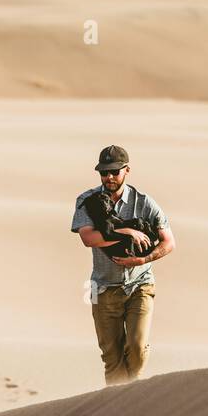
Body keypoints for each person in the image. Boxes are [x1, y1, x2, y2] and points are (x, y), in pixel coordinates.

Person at [70, 145, 176, 385]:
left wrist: (143, 259)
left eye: (114, 172)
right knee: (112, 359)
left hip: (140, 284)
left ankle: (131, 397)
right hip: (103, 287)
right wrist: (126, 231)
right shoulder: (87, 201)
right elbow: (88, 238)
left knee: (137, 349)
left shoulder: (144, 202)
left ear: (127, 170)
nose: (108, 177)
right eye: (103, 172)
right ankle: (119, 410)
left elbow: (169, 242)